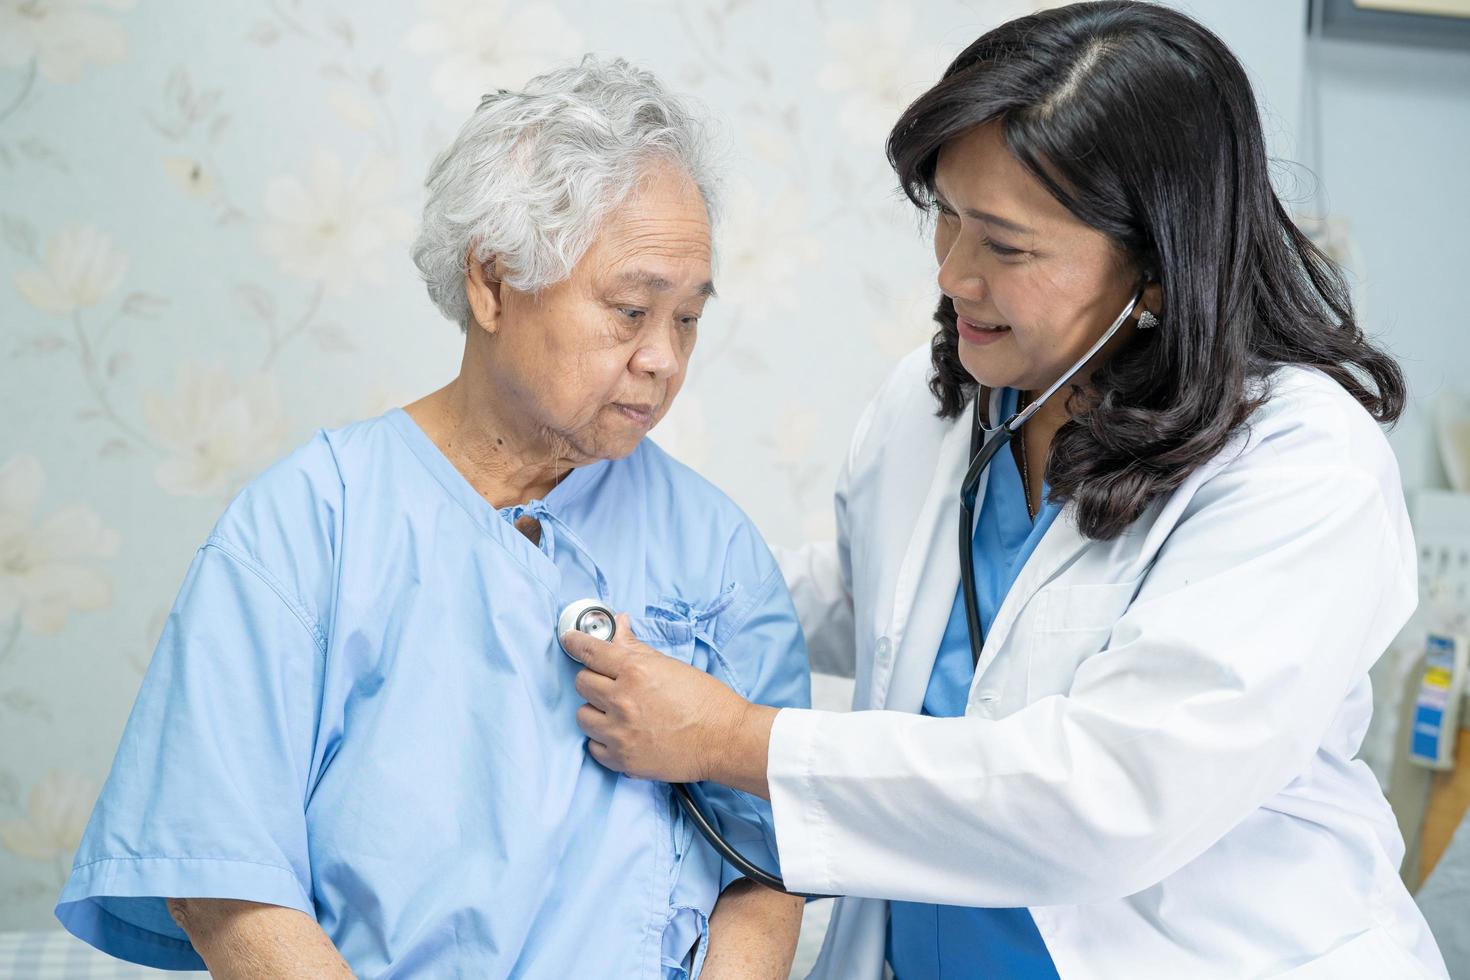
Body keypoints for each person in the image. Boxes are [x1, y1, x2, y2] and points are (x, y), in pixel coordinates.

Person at [559, 5, 1451, 978]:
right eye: (945, 214)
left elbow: (1112, 796)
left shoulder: (1299, 466)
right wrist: (640, 582)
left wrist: (736, 740)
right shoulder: (942, 403)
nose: (952, 276)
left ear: (1155, 269)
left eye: (1005, 245)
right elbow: (874, 604)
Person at [56, 56, 807, 979]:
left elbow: (767, 864)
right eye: (629, 310)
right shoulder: (307, 526)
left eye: (687, 319)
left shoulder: (718, 550)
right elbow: (221, 878)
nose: (662, 358)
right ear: (492, 284)